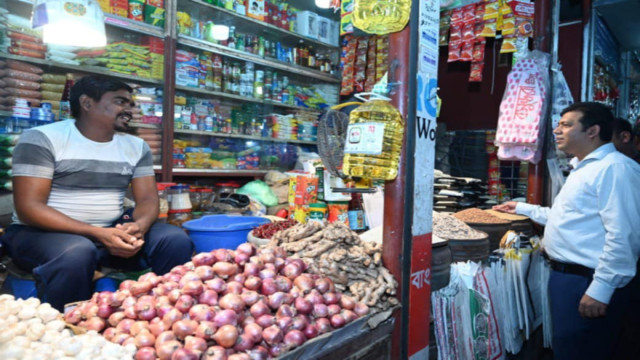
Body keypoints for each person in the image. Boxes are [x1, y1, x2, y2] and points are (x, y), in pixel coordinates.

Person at [0, 75, 194, 311]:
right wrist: (96, 233)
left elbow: (147, 199)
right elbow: (29, 208)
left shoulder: (136, 146)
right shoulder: (43, 138)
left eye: (131, 104)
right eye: (120, 102)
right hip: (39, 234)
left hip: (108, 231)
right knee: (77, 251)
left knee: (173, 239)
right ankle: (66, 327)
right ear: (87, 103)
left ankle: (167, 313)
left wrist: (139, 226)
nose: (129, 109)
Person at [493, 102, 640, 360]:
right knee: (568, 349)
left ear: (592, 131)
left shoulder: (614, 168)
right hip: (568, 278)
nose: (557, 130)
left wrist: (600, 289)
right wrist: (524, 208)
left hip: (587, 280)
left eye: (567, 124)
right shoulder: (585, 167)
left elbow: (624, 236)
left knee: (584, 350)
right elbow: (571, 218)